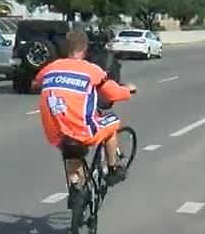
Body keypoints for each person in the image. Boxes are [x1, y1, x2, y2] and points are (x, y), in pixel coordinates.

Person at [34, 30, 137, 208]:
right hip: (84, 131)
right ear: (85, 48)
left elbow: (36, 83)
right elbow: (112, 93)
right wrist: (128, 90)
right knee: (112, 123)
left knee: (72, 152)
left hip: (55, 133)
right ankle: (112, 170)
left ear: (66, 48)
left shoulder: (51, 67)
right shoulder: (91, 70)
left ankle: (75, 185)